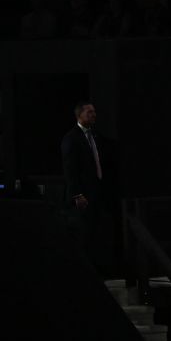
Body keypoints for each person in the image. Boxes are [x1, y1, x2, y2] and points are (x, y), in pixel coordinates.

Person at [61, 101, 110, 267]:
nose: (93, 115)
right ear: (79, 115)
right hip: (83, 196)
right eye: (89, 112)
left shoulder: (95, 136)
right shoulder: (71, 138)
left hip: (97, 193)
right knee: (84, 234)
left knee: (97, 233)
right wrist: (77, 194)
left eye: (94, 112)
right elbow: (70, 169)